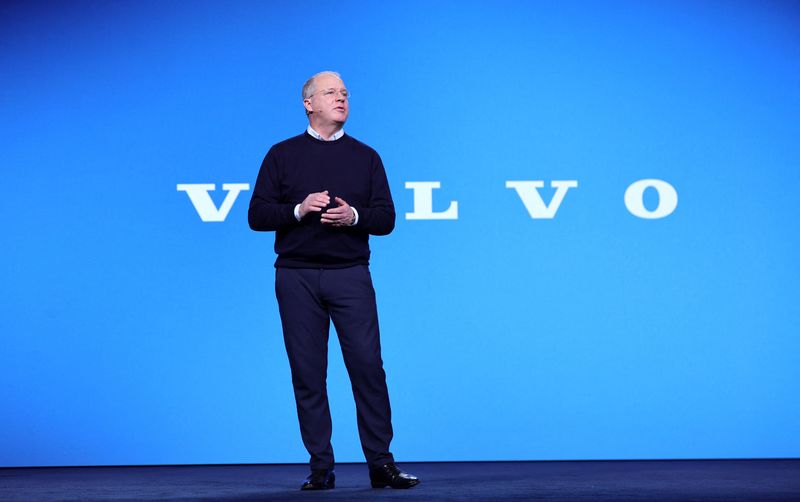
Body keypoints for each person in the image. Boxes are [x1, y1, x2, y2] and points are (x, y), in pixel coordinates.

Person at [248, 71, 420, 491]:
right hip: (296, 277)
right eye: (330, 92)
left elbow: (386, 219)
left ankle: (381, 464)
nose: (341, 98)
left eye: (344, 93)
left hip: (350, 276)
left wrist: (354, 217)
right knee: (308, 373)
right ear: (308, 103)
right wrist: (298, 209)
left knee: (367, 369)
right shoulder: (281, 155)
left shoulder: (366, 157)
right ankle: (320, 468)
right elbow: (257, 215)